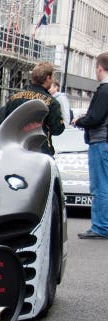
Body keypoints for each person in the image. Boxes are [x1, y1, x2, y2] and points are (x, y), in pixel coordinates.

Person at [72, 52, 108, 239]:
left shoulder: (104, 90)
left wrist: (79, 121)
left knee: (99, 186)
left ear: (99, 68)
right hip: (104, 142)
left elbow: (95, 118)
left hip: (101, 142)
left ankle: (101, 227)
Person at [0, 61, 65, 155]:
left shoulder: (14, 98)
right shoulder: (52, 102)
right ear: (48, 78)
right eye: (52, 77)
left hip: (15, 149)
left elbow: (2, 121)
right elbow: (58, 129)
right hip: (40, 150)